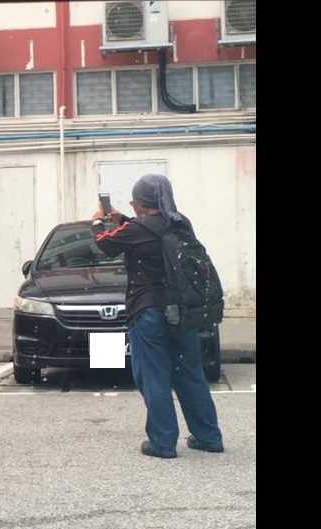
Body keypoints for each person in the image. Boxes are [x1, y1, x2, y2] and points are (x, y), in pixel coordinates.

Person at [90, 173, 223, 459]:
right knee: (190, 375)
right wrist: (123, 217)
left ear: (143, 202)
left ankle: (162, 444)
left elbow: (106, 243)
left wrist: (97, 221)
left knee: (153, 377)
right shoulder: (180, 223)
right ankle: (209, 437)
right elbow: (147, 228)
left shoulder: (138, 229)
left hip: (149, 311)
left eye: (134, 200)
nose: (132, 205)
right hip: (183, 311)